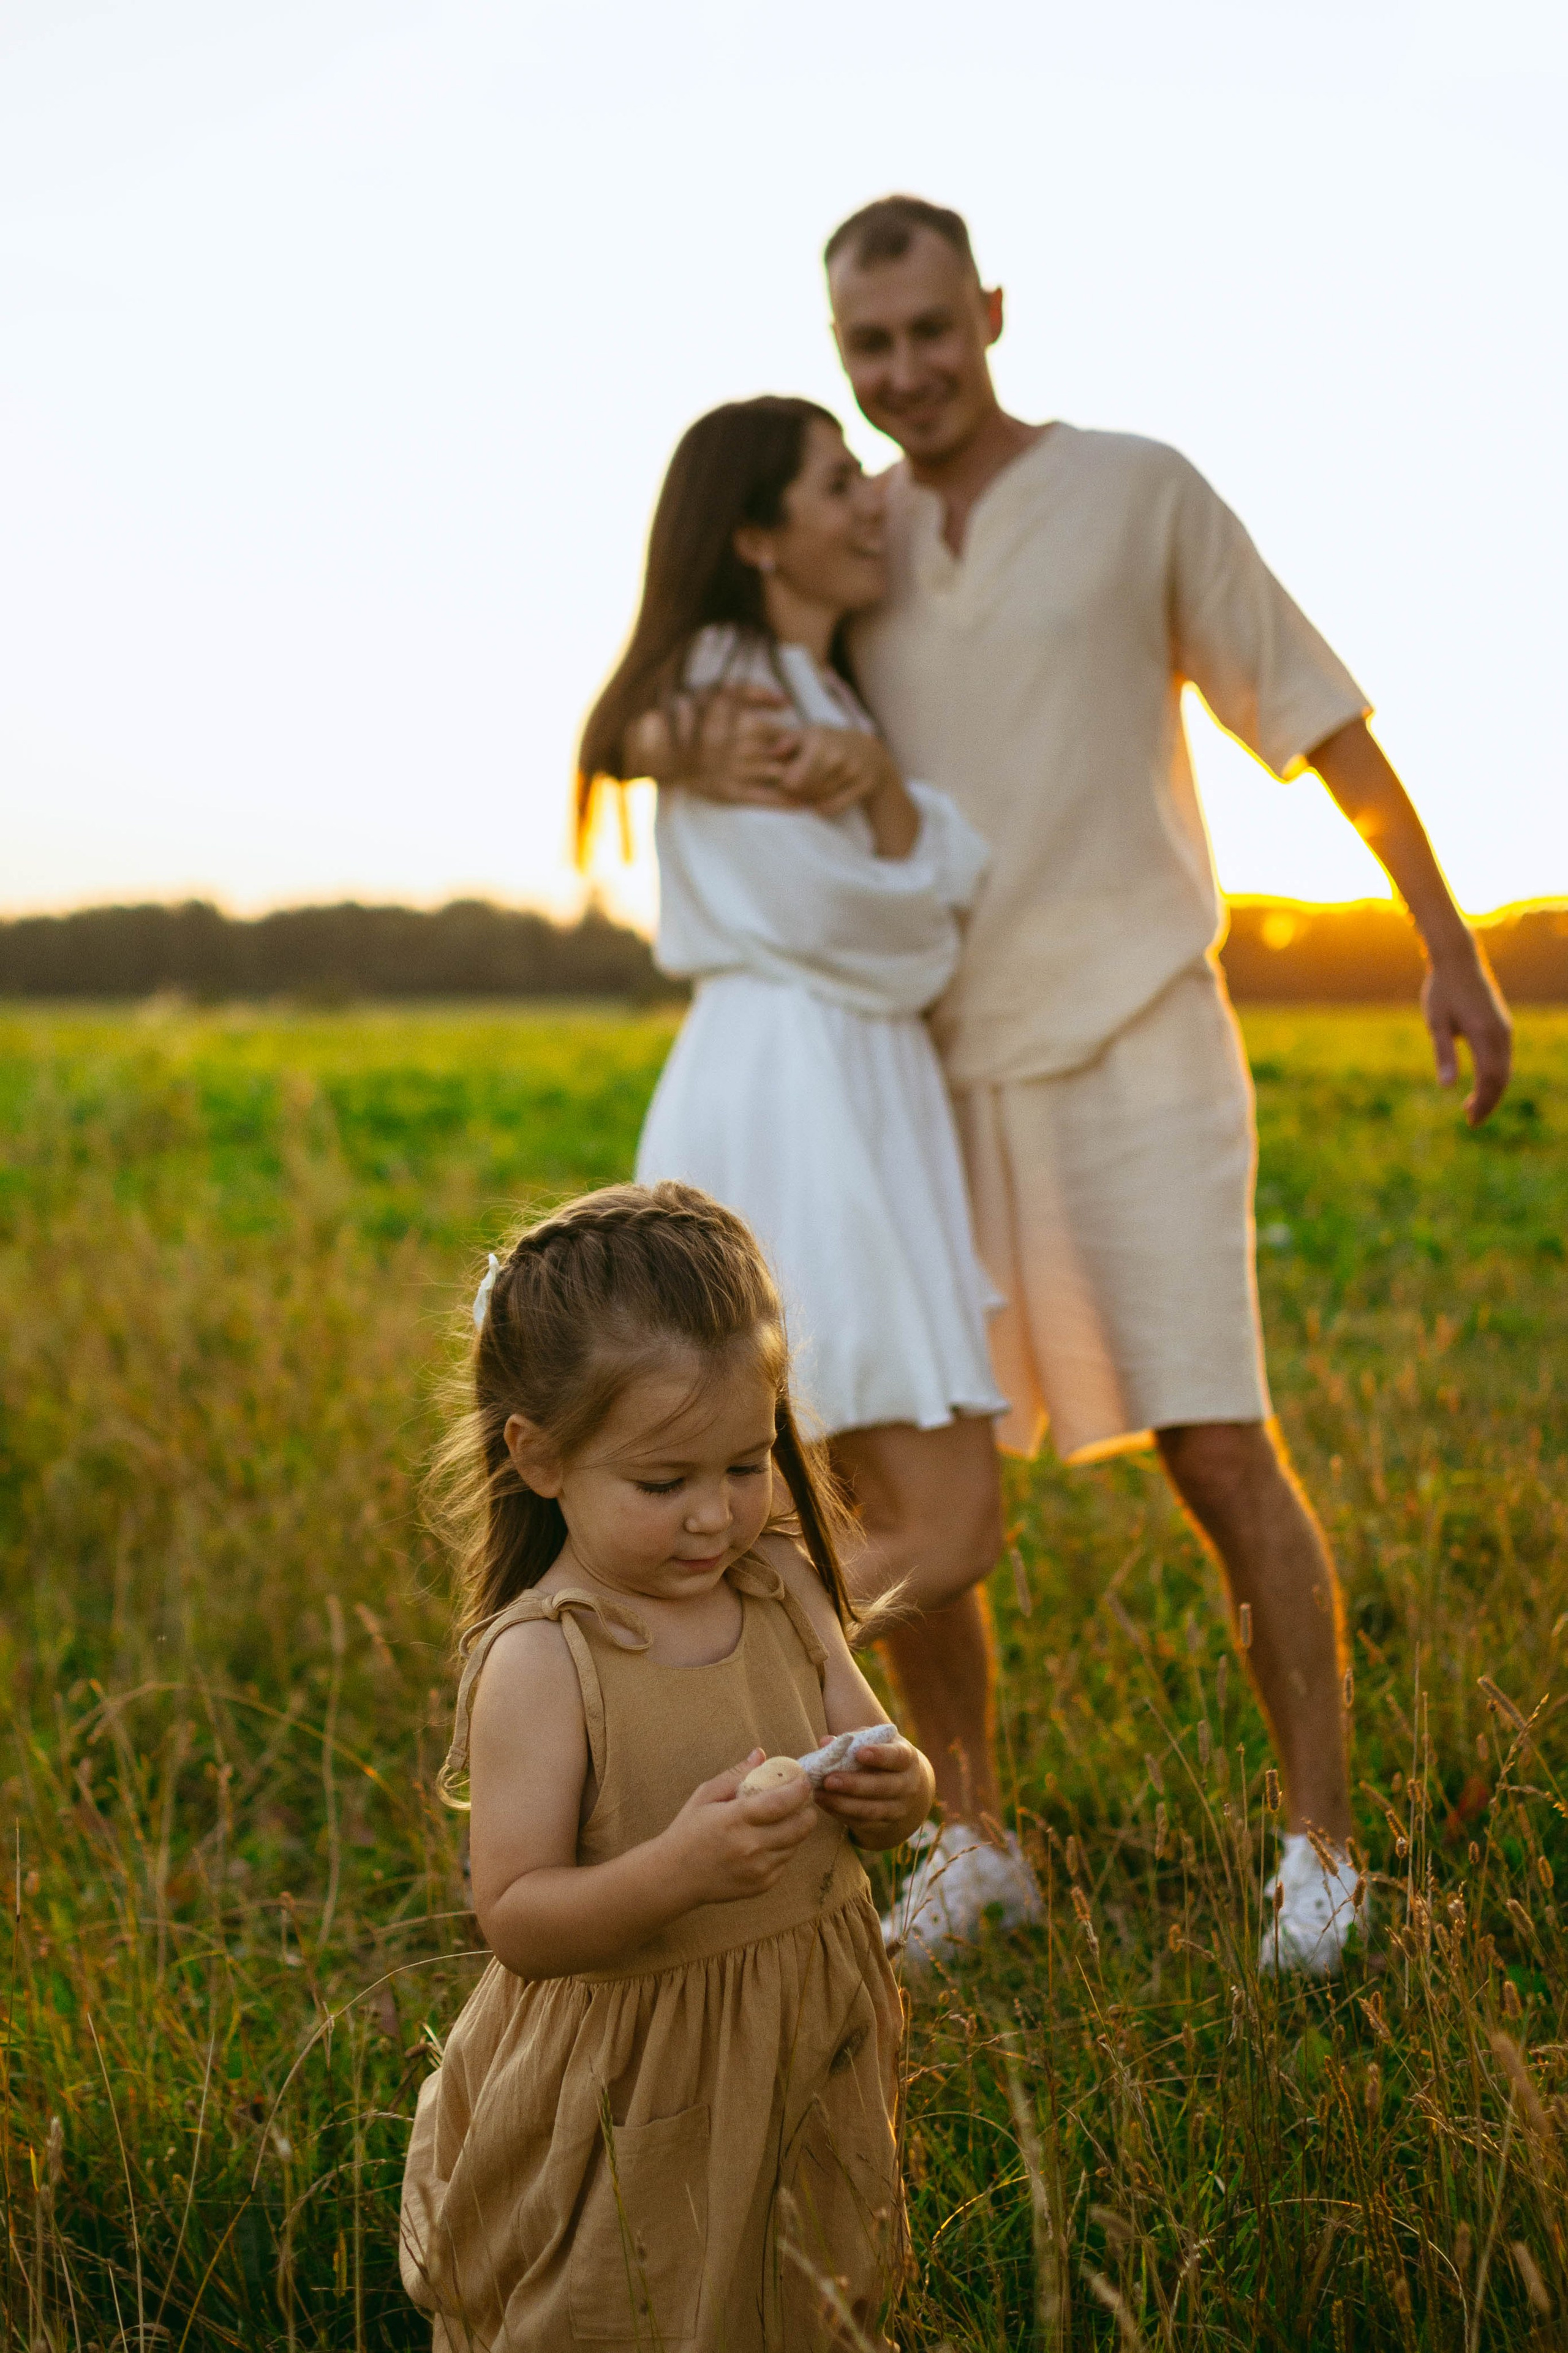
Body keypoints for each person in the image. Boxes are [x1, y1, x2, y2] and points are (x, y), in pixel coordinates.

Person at [652, 196, 1513, 1979]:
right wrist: (656, 735)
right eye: (866, 349)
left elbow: (1319, 717)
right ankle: (975, 1838)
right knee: (910, 1477)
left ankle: (1322, 1857)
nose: (903, 374)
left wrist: (1449, 941)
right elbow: (686, 652)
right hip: (928, 1079)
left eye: (927, 332)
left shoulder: (1138, 488)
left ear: (989, 310)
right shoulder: (853, 532)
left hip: (1135, 1033)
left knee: (1215, 1439)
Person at [576, 396, 1041, 1955]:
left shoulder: (797, 682)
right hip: (798, 1094)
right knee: (936, 1516)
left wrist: (889, 809)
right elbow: (896, 937)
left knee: (866, 1485)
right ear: (757, 533)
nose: (869, 503)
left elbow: (906, 907)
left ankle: (972, 1837)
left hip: (850, 1090)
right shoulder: (725, 694)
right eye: (837, 483)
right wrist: (907, 852)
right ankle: (682, 1719)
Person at [399, 1182, 935, 2351]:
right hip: (633, 2080)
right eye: (664, 1483)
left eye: (747, 1465)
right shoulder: (548, 1658)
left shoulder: (783, 1583)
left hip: (800, 2033)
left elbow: (873, 1742)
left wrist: (903, 1788)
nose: (715, 1516)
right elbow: (520, 1916)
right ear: (539, 1458)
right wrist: (680, 1868)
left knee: (799, 2292)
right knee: (625, 2306)